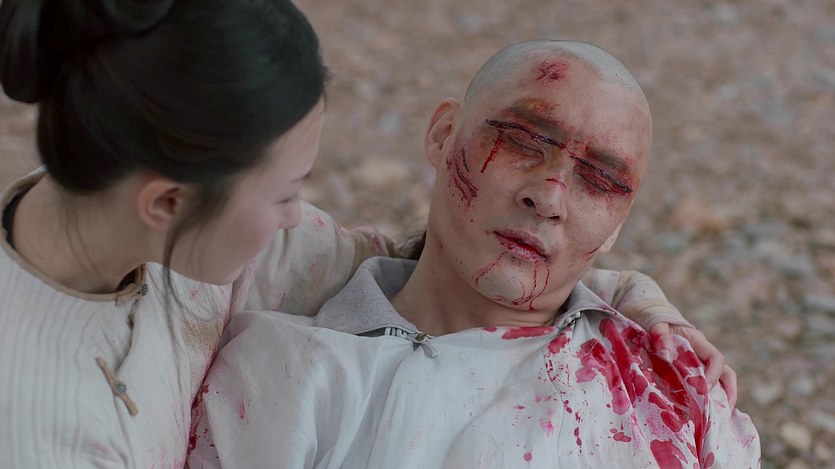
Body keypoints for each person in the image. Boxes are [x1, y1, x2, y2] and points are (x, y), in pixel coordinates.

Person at [0, 0, 731, 466]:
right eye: (286, 193)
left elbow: (424, 264)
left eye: (599, 181)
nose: (551, 196)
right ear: (166, 203)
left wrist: (632, 299)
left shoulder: (171, 222)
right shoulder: (45, 423)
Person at [188, 40, 760, 468]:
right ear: (442, 135)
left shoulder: (675, 396)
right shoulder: (286, 373)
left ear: (618, 224)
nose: (549, 197)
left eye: (600, 181)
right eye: (522, 141)